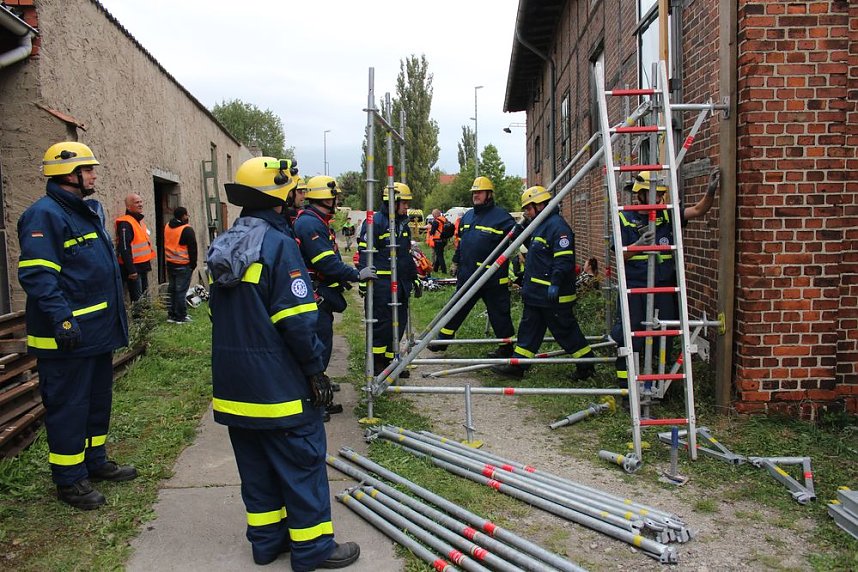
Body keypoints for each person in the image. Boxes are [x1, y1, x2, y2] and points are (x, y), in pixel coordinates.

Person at [207, 156, 360, 570]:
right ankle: (313, 549)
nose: (299, 197)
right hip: (278, 386)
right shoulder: (278, 245)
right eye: (294, 191)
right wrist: (314, 370)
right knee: (301, 463)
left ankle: (266, 542)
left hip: (234, 387)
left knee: (256, 468)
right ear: (279, 196)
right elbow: (297, 322)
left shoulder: (226, 242)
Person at [18, 142, 135, 510]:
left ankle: (94, 462)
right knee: (69, 407)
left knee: (97, 403)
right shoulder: (45, 215)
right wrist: (63, 319)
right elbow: (38, 276)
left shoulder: (83, 212)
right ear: (69, 174)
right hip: (68, 338)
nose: (94, 175)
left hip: (95, 334)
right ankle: (69, 480)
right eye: (88, 169)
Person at [611, 168, 720, 391]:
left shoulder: (668, 215)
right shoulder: (624, 217)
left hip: (663, 287)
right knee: (631, 335)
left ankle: (659, 383)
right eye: (654, 194)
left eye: (661, 194)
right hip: (636, 287)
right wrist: (638, 245)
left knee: (664, 334)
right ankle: (627, 386)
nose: (659, 199)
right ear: (641, 195)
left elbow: (698, 210)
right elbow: (620, 256)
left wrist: (710, 191)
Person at [493, 186, 596, 381]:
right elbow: (534, 248)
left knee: (565, 331)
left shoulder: (558, 227)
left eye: (529, 209)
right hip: (535, 294)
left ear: (540, 205)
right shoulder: (540, 225)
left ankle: (587, 365)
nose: (527, 213)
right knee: (528, 331)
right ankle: (518, 366)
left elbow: (564, 260)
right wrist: (521, 231)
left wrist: (555, 283)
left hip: (553, 296)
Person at [293, 176, 376, 370]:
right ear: (326, 199)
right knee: (319, 345)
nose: (337, 202)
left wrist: (340, 278)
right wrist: (356, 275)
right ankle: (316, 387)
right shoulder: (310, 224)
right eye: (335, 197)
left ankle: (318, 382)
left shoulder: (316, 221)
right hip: (315, 295)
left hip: (319, 291)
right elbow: (325, 262)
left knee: (322, 343)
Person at [434, 176, 516, 357]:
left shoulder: (502, 217)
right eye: (474, 193)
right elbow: (462, 243)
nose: (475, 195)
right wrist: (455, 261)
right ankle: (443, 339)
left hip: (492, 278)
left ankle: (506, 347)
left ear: (489, 194)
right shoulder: (468, 216)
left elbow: (519, 239)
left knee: (499, 314)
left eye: (479, 192)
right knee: (457, 306)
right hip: (468, 274)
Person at [357, 182, 418, 376]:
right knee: (381, 325)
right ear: (393, 202)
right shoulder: (375, 222)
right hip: (381, 285)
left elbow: (406, 255)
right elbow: (365, 254)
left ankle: (392, 362)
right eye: (404, 203)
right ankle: (377, 363)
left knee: (398, 324)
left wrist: (414, 277)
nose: (407, 207)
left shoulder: (403, 224)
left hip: (401, 284)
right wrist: (364, 280)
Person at [115, 193, 155, 303]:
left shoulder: (139, 221)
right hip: (134, 269)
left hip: (143, 266)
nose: (140, 204)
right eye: (137, 202)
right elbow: (124, 248)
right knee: (138, 301)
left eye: (141, 201)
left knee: (145, 298)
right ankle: (139, 315)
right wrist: (131, 270)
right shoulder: (125, 223)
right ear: (128, 207)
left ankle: (147, 314)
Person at [164, 207, 198, 324]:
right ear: (183, 216)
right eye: (187, 215)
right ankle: (181, 316)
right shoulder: (187, 230)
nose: (187, 217)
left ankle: (171, 314)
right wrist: (193, 264)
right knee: (181, 291)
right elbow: (193, 249)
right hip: (183, 264)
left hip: (170, 263)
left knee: (172, 290)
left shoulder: (167, 226)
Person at [428, 208, 448, 273]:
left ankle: (444, 270)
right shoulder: (445, 219)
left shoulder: (436, 221)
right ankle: (435, 269)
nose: (433, 216)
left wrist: (430, 229)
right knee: (439, 254)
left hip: (438, 240)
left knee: (440, 256)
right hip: (444, 240)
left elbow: (432, 232)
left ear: (435, 214)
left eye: (433, 215)